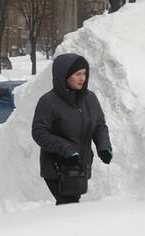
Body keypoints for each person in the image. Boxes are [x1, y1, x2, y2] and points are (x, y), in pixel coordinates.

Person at [32, 53, 112, 205]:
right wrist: (66, 149)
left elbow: (99, 125)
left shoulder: (90, 99)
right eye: (77, 74)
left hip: (81, 165)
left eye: (84, 73)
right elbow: (39, 132)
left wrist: (103, 147)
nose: (82, 78)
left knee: (70, 207)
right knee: (68, 205)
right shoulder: (48, 102)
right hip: (57, 168)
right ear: (64, 75)